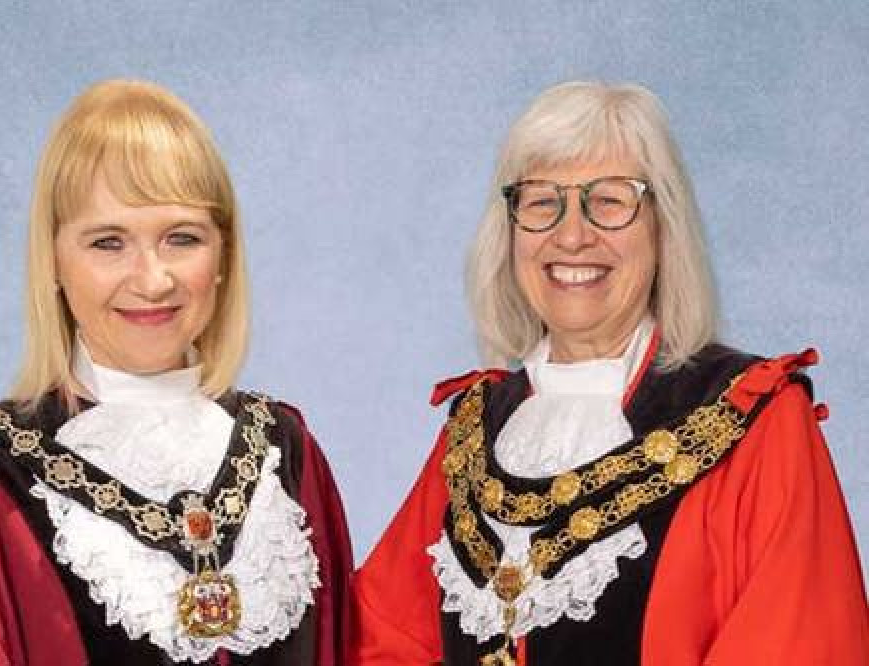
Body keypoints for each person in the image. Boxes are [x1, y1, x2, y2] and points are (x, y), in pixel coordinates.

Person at [352, 81, 868, 665]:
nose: (572, 235)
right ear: (512, 230)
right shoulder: (472, 432)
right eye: (543, 201)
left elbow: (798, 644)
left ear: (663, 227)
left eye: (611, 200)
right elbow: (381, 639)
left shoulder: (753, 425)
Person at [0, 80, 352, 666]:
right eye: (108, 243)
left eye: (182, 238)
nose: (152, 279)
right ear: (53, 259)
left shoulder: (287, 449)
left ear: (223, 255)